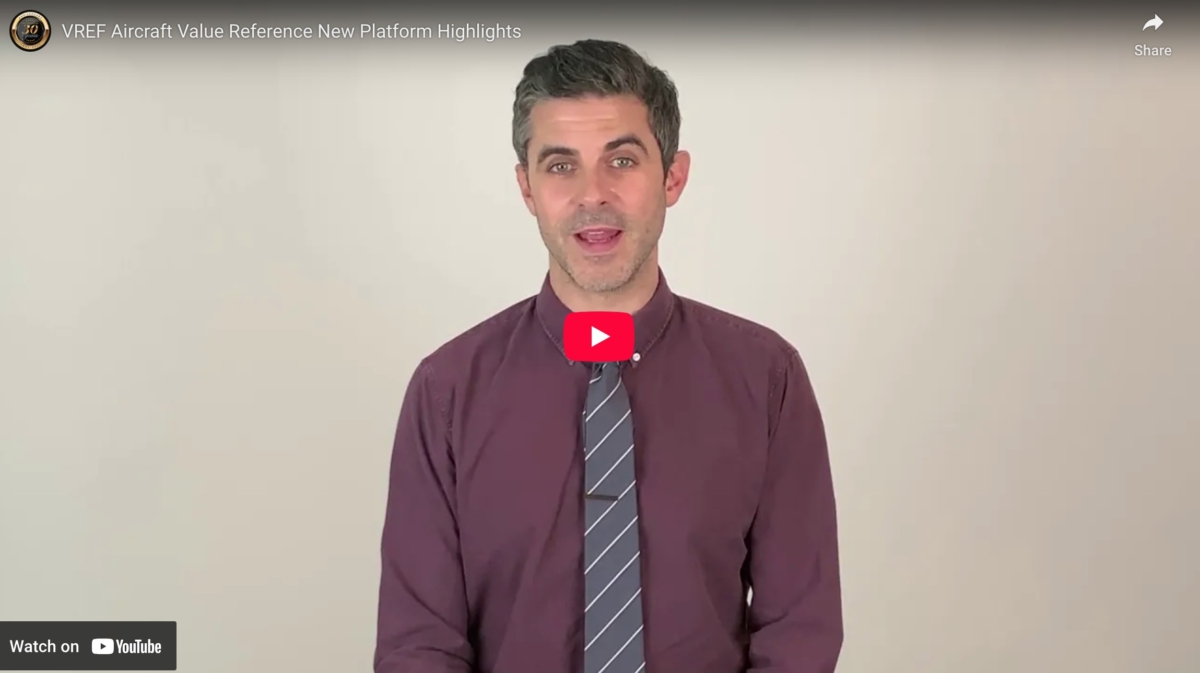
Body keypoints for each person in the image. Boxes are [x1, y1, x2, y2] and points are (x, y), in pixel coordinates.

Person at [374, 39, 843, 673]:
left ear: (672, 177)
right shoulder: (446, 393)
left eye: (621, 160)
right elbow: (418, 645)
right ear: (526, 187)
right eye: (560, 165)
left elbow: (799, 633)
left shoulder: (767, 380)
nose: (593, 195)